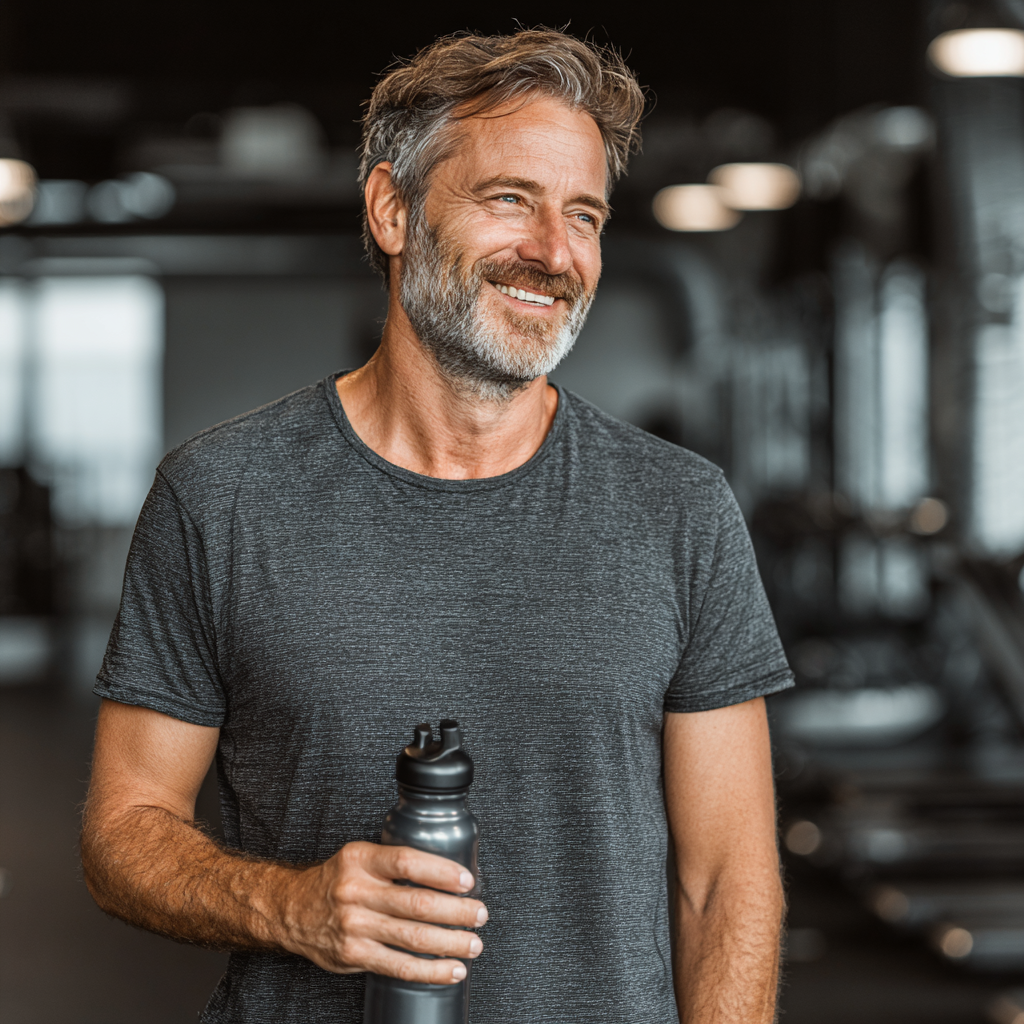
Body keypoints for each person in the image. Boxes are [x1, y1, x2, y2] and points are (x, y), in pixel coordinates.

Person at [81, 27, 792, 1024]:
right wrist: (292, 907)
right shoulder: (220, 497)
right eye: (509, 199)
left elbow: (726, 882)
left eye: (583, 213)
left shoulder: (679, 510)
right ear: (392, 209)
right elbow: (124, 827)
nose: (553, 252)